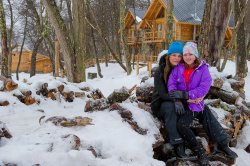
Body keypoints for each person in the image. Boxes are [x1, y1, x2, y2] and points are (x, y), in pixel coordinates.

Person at [167, 42, 238, 165]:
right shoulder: (178, 68)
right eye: (185, 54)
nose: (187, 57)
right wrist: (177, 99)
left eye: (190, 54)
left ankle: (223, 145)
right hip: (185, 105)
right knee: (182, 125)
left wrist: (187, 95)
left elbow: (204, 87)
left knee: (208, 118)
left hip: (196, 104)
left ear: (195, 55)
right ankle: (200, 151)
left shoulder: (202, 69)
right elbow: (171, 84)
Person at [151, 41, 188, 158]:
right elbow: (162, 94)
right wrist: (177, 99)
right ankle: (177, 143)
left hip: (177, 101)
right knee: (170, 107)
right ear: (169, 56)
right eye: (174, 55)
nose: (176, 58)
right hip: (160, 104)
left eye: (179, 56)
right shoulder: (160, 71)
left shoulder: (183, 69)